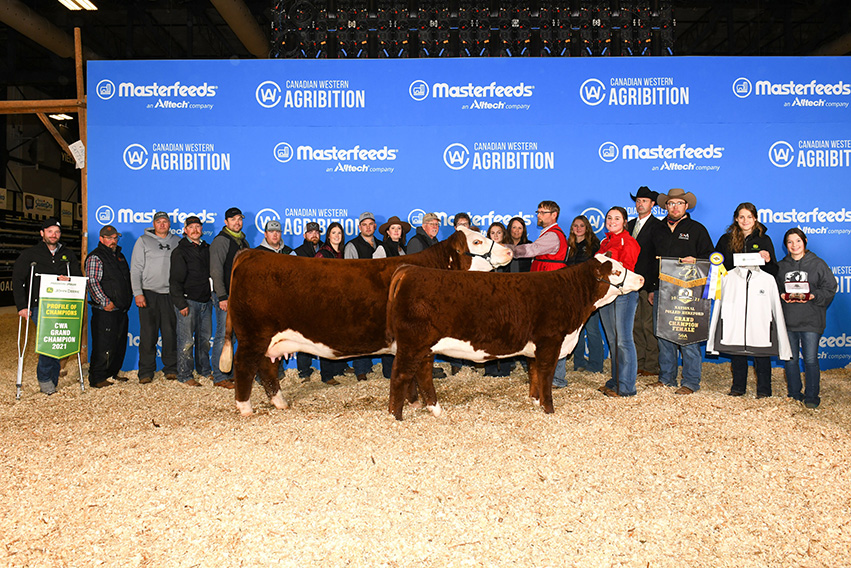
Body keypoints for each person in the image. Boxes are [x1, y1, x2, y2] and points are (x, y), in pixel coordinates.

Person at [650, 188, 714, 394]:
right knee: (664, 334)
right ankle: (666, 378)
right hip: (662, 288)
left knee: (688, 335)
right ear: (665, 206)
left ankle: (691, 382)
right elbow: (651, 261)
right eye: (671, 204)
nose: (675, 207)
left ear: (686, 206)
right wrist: (652, 288)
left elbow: (711, 256)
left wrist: (696, 261)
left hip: (689, 291)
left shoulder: (697, 229)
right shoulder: (657, 229)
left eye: (679, 203)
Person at [714, 202, 778, 398]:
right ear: (735, 219)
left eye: (749, 217)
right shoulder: (726, 240)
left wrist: (766, 260)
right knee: (737, 340)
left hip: (758, 300)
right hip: (734, 297)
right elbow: (717, 266)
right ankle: (738, 387)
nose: (745, 221)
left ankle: (764, 389)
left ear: (755, 219)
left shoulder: (764, 239)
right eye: (741, 217)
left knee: (760, 341)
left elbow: (774, 271)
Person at [13, 218, 83, 394]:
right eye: (50, 231)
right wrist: (22, 306)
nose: (54, 235)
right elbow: (17, 280)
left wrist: (70, 280)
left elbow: (77, 276)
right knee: (50, 339)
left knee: (58, 340)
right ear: (42, 233)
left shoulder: (67, 254)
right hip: (39, 305)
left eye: (57, 232)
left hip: (63, 305)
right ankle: (45, 378)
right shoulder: (30, 254)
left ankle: (52, 378)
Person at [507, 201, 570, 388]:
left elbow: (532, 250)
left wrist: (507, 250)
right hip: (548, 285)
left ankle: (557, 378)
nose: (539, 215)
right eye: (539, 212)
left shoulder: (553, 235)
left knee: (554, 332)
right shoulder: (549, 233)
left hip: (552, 288)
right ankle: (551, 375)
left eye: (543, 212)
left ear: (554, 214)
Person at [777, 228, 837, 409]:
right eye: (789, 242)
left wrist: (813, 296)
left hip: (811, 320)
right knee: (791, 359)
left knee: (810, 359)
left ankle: (812, 395)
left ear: (805, 241)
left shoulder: (818, 264)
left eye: (797, 241)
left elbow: (830, 287)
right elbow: (774, 289)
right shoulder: (780, 267)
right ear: (785, 245)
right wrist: (780, 295)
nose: (794, 245)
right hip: (788, 320)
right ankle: (794, 393)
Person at [130, 211, 181, 384]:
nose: (162, 224)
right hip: (148, 293)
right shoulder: (143, 241)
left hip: (170, 294)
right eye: (158, 221)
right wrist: (138, 293)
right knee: (148, 335)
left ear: (169, 224)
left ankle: (171, 369)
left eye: (165, 221)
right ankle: (145, 371)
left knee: (170, 334)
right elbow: (136, 269)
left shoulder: (177, 241)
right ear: (154, 224)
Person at [596, 207, 641, 397]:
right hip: (607, 294)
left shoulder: (628, 242)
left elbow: (627, 270)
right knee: (613, 340)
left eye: (617, 218)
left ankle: (627, 387)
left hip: (623, 293)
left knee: (624, 341)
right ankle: (616, 381)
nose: (612, 221)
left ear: (624, 222)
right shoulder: (605, 242)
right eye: (609, 218)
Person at [85, 225, 133, 389]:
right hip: (105, 310)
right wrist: (105, 302)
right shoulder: (96, 257)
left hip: (121, 308)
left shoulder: (119, 256)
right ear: (101, 239)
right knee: (103, 344)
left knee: (118, 343)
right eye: (109, 238)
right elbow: (92, 282)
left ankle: (112, 372)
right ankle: (97, 377)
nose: (113, 241)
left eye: (115, 238)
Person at [169, 216, 213, 387]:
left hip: (205, 301)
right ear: (185, 230)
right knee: (186, 341)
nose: (195, 230)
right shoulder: (179, 251)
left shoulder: (206, 248)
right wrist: (181, 303)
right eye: (191, 227)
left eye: (198, 226)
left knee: (204, 339)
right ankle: (185, 374)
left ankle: (204, 370)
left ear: (201, 229)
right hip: (187, 302)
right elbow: (174, 281)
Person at [209, 207, 249, 389]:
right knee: (223, 335)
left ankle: (230, 372)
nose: (237, 222)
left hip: (239, 297)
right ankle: (218, 376)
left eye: (239, 219)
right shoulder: (221, 241)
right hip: (225, 296)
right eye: (233, 219)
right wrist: (222, 296)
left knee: (233, 336)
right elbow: (216, 271)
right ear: (226, 222)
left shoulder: (243, 242)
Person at [627, 186, 663, 378]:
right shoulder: (629, 224)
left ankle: (651, 365)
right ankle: (638, 362)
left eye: (644, 201)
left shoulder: (658, 226)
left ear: (652, 204)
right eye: (638, 200)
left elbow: (657, 259)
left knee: (648, 324)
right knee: (634, 324)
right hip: (630, 283)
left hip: (647, 283)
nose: (640, 204)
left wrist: (653, 286)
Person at [343, 212, 383, 381]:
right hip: (359, 294)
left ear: (374, 226)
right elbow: (348, 272)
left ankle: (369, 365)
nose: (368, 227)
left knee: (375, 330)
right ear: (359, 227)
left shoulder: (381, 245)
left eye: (371, 224)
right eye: (364, 224)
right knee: (360, 331)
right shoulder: (352, 245)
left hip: (379, 294)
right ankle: (360, 369)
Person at [373, 216, 412, 378]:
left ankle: (399, 366)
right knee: (389, 332)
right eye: (393, 229)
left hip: (401, 297)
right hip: (387, 295)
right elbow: (377, 273)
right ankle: (388, 370)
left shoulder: (403, 250)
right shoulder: (381, 249)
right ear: (387, 233)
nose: (396, 231)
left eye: (399, 228)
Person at [565, 215, 604, 375]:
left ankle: (596, 365)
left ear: (587, 228)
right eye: (575, 225)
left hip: (589, 295)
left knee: (593, 330)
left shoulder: (594, 245)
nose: (578, 228)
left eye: (581, 225)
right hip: (572, 295)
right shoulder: (570, 247)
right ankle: (578, 362)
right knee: (576, 330)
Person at [315, 222, 346, 384]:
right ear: (328, 236)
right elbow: (316, 280)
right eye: (333, 233)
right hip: (326, 302)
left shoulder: (341, 254)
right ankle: (327, 375)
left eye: (339, 233)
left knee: (339, 335)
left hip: (340, 301)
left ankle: (339, 368)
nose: (336, 236)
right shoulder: (322, 254)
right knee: (326, 337)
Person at [293, 221, 323, 380]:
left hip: (324, 299)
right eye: (311, 232)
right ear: (305, 235)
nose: (314, 235)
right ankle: (304, 372)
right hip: (304, 299)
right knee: (303, 336)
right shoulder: (296, 252)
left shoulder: (327, 250)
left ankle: (328, 371)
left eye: (317, 232)